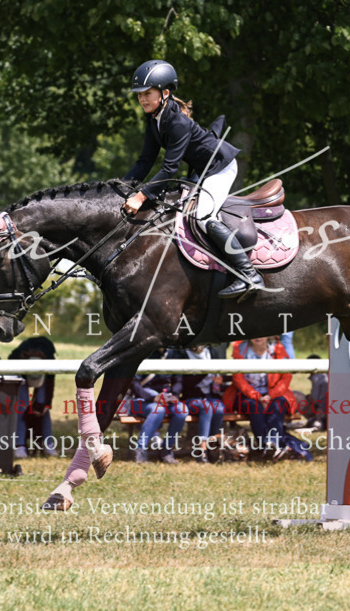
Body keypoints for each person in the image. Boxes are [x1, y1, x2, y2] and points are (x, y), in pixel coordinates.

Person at [120, 59, 262, 300]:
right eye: (139, 95)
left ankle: (249, 274)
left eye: (147, 93)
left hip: (220, 167)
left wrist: (141, 195)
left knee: (203, 216)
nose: (142, 99)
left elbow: (169, 168)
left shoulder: (176, 122)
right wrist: (121, 187)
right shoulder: (155, 119)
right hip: (201, 169)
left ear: (164, 93)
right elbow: (145, 161)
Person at [222, 337, 309, 461]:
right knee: (254, 407)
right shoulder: (241, 350)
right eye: (255, 334)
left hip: (274, 394)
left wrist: (271, 395)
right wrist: (256, 396)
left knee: (277, 406)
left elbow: (286, 377)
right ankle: (266, 445)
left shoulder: (278, 350)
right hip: (247, 395)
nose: (258, 337)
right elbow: (238, 379)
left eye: (262, 334)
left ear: (269, 336)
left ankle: (272, 444)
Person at [125, 349, 188, 463]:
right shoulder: (141, 352)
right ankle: (140, 450)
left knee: (181, 411)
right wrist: (152, 398)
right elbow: (133, 383)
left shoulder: (174, 353)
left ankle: (166, 450)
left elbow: (178, 380)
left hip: (165, 398)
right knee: (157, 410)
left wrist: (174, 395)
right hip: (142, 399)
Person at [169, 345, 225, 462]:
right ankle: (202, 449)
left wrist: (220, 379)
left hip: (211, 395)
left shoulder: (212, 352)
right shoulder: (182, 354)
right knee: (206, 408)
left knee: (219, 410)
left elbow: (221, 375)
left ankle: (211, 445)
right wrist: (205, 371)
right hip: (191, 397)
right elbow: (184, 383)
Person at [9, 336, 59, 459]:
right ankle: (19, 445)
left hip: (43, 372)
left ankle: (48, 444)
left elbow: (50, 383)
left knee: (42, 407)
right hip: (20, 373)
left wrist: (47, 404)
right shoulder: (15, 358)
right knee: (21, 407)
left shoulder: (49, 361)